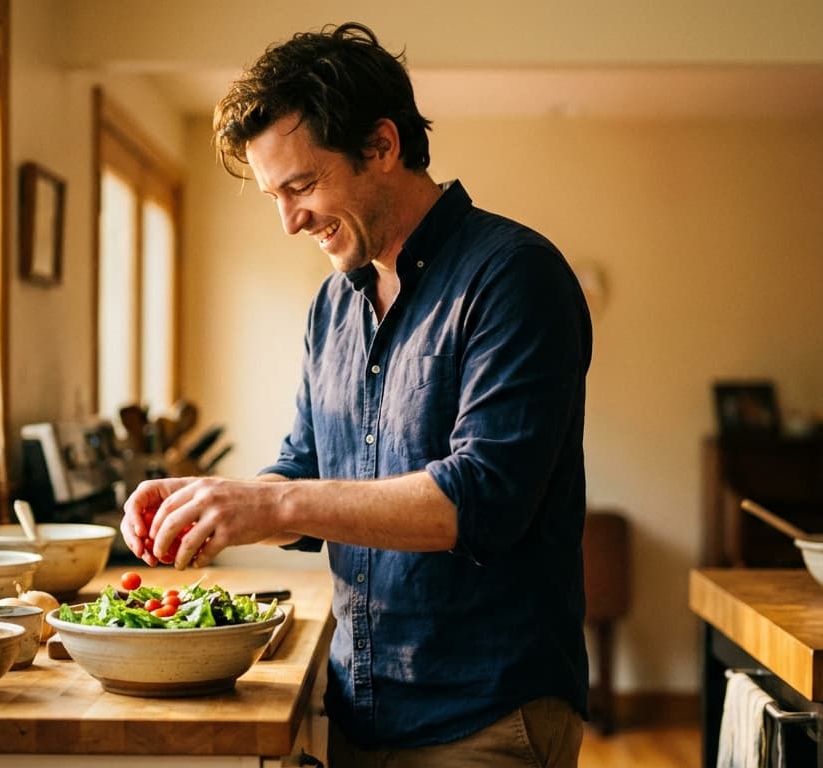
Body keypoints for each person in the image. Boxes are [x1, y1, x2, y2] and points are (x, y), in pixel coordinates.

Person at [120, 21, 593, 767]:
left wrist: (272, 505)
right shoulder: (334, 306)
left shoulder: (513, 276)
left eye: (302, 186)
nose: (289, 221)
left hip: (486, 715)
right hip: (358, 705)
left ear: (381, 146)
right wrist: (217, 503)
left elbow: (484, 500)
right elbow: (303, 474)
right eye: (276, 196)